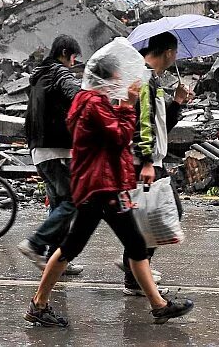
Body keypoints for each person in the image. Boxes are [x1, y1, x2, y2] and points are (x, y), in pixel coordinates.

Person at [25, 55, 194, 327]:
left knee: (124, 245)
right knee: (81, 247)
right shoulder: (93, 104)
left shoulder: (94, 102)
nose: (122, 81)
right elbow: (119, 137)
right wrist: (128, 105)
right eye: (118, 77)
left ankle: (158, 304)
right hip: (101, 187)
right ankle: (39, 304)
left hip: (102, 185)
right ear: (107, 79)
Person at [118, 31, 192, 296]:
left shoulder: (153, 80)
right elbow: (142, 124)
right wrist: (148, 161)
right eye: (176, 53)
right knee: (155, 214)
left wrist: (178, 103)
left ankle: (135, 268)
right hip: (144, 161)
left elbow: (160, 126)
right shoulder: (145, 78)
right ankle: (134, 270)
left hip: (150, 159)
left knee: (151, 215)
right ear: (169, 53)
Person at [18, 36, 83, 276]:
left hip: (39, 150)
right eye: (73, 57)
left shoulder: (39, 77)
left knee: (58, 204)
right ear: (65, 53)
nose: (73, 63)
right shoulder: (59, 72)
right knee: (73, 201)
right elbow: (76, 94)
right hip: (57, 148)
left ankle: (57, 259)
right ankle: (35, 243)